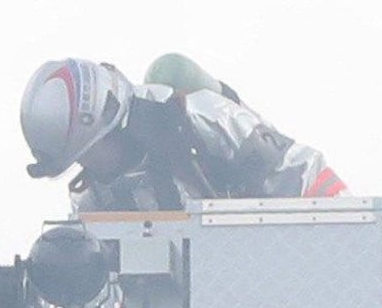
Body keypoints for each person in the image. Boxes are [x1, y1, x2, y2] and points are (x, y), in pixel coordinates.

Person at [17, 54, 341, 213]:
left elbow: (309, 178)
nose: (92, 165)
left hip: (269, 265)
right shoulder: (93, 199)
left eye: (91, 151)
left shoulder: (203, 118)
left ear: (110, 126)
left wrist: (352, 250)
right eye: (80, 159)